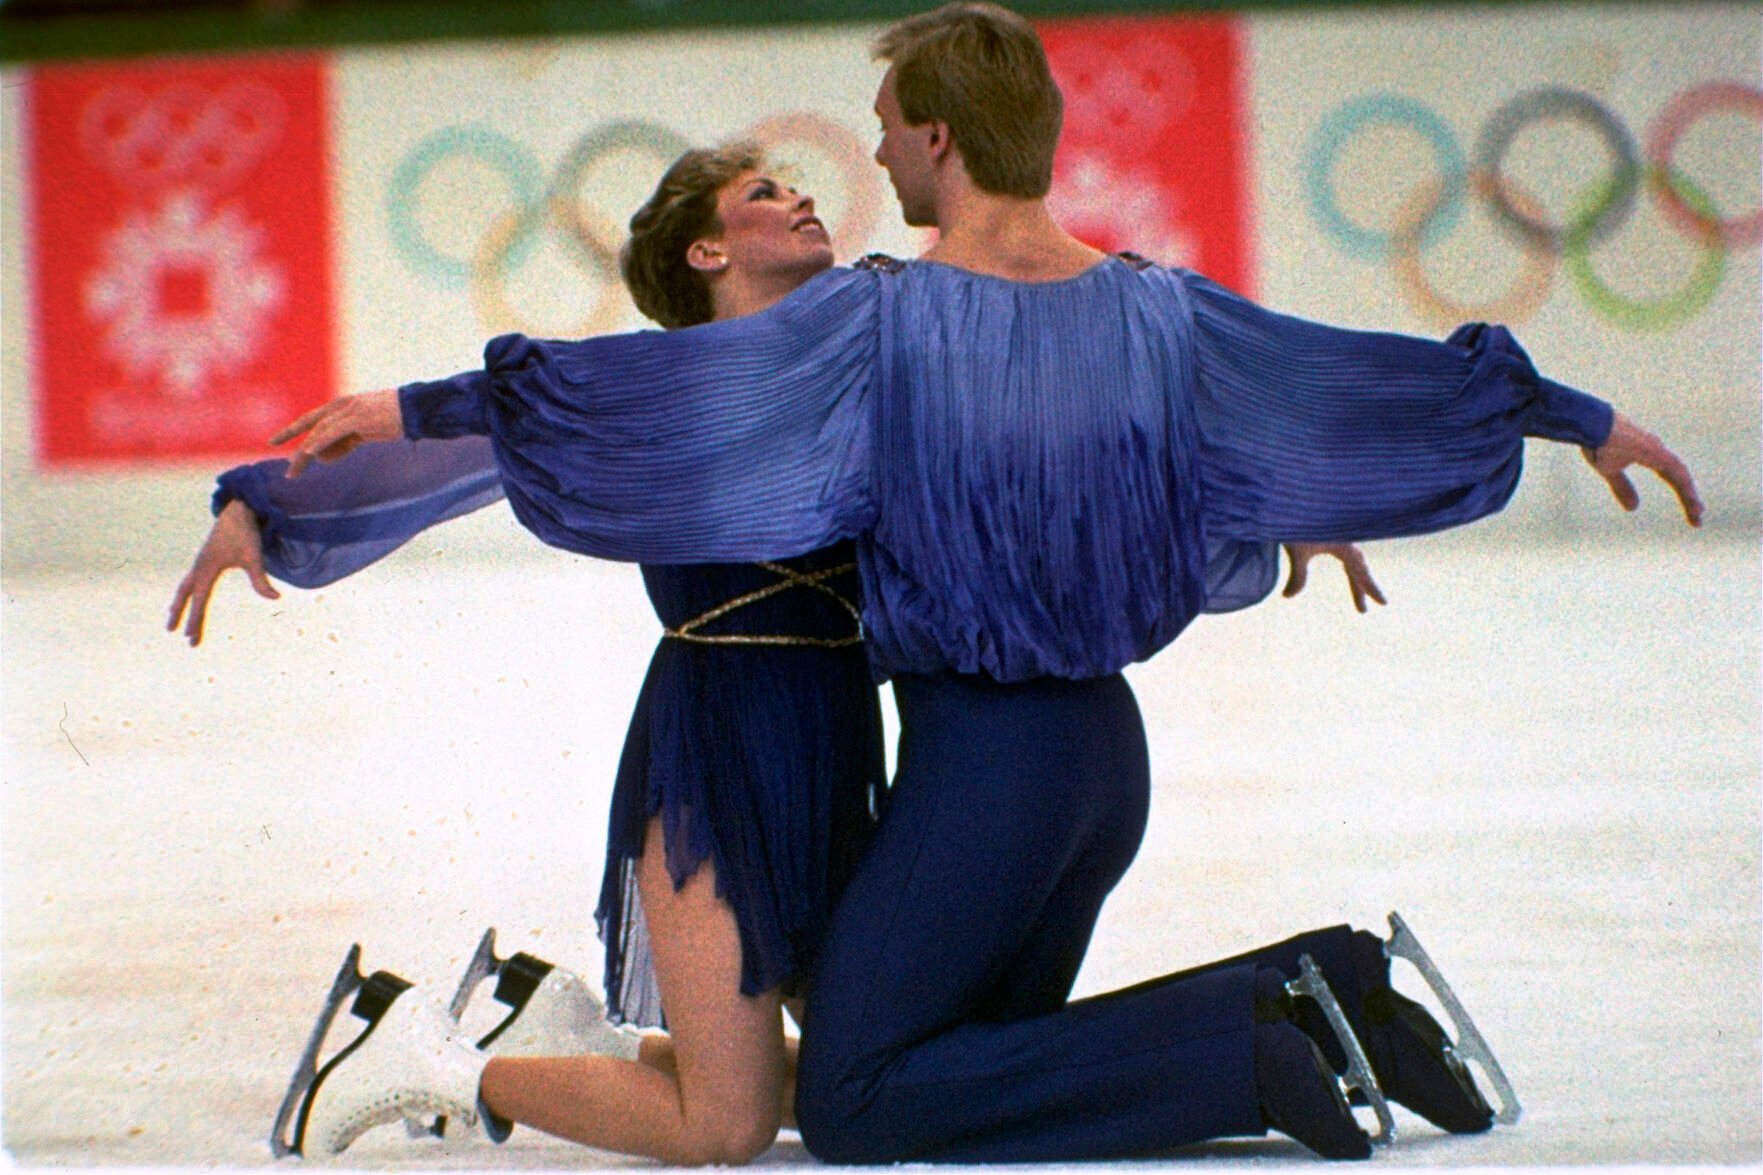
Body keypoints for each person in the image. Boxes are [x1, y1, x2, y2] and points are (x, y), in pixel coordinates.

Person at [254, 2, 1703, 1164]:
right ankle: (1333, 992)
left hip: (976, 762)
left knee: (867, 1103)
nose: (868, 159)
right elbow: (1340, 384)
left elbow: (630, 401)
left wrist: (414, 404)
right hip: (1097, 762)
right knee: (949, 1073)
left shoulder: (873, 326)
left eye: (885, 131)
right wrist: (1559, 413)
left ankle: (1253, 1032)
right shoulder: (1156, 307)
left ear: (936, 137)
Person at [171, 145, 893, 1164]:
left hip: (835, 740)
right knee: (720, 1126)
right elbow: (476, 434)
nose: (802, 196)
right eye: (763, 195)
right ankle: (431, 1060)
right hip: (718, 748)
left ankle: (572, 1038)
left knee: (875, 1088)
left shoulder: (845, 354)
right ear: (706, 249)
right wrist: (261, 501)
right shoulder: (648, 393)